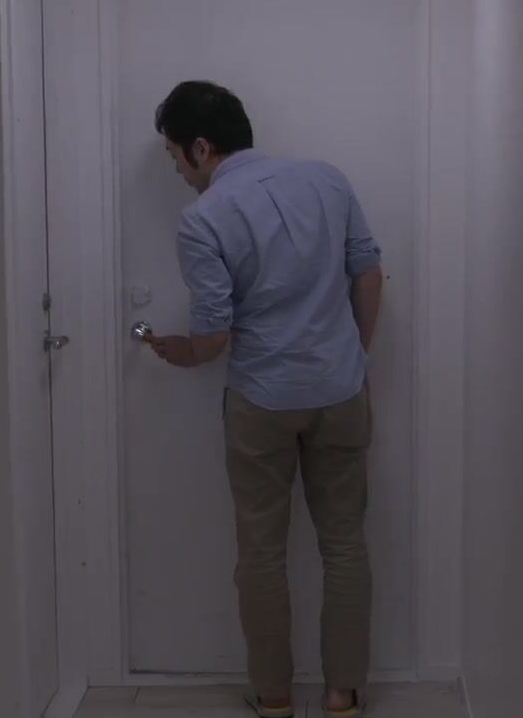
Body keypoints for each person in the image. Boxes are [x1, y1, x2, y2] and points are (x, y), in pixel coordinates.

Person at [147, 80, 383, 718]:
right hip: (341, 389)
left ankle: (274, 697)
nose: (178, 171)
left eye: (175, 156)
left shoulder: (204, 218)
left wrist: (179, 351)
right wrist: (353, 356)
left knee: (260, 552)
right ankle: (342, 696)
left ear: (201, 147)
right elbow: (367, 272)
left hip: (263, 400)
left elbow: (214, 338)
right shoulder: (327, 180)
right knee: (345, 544)